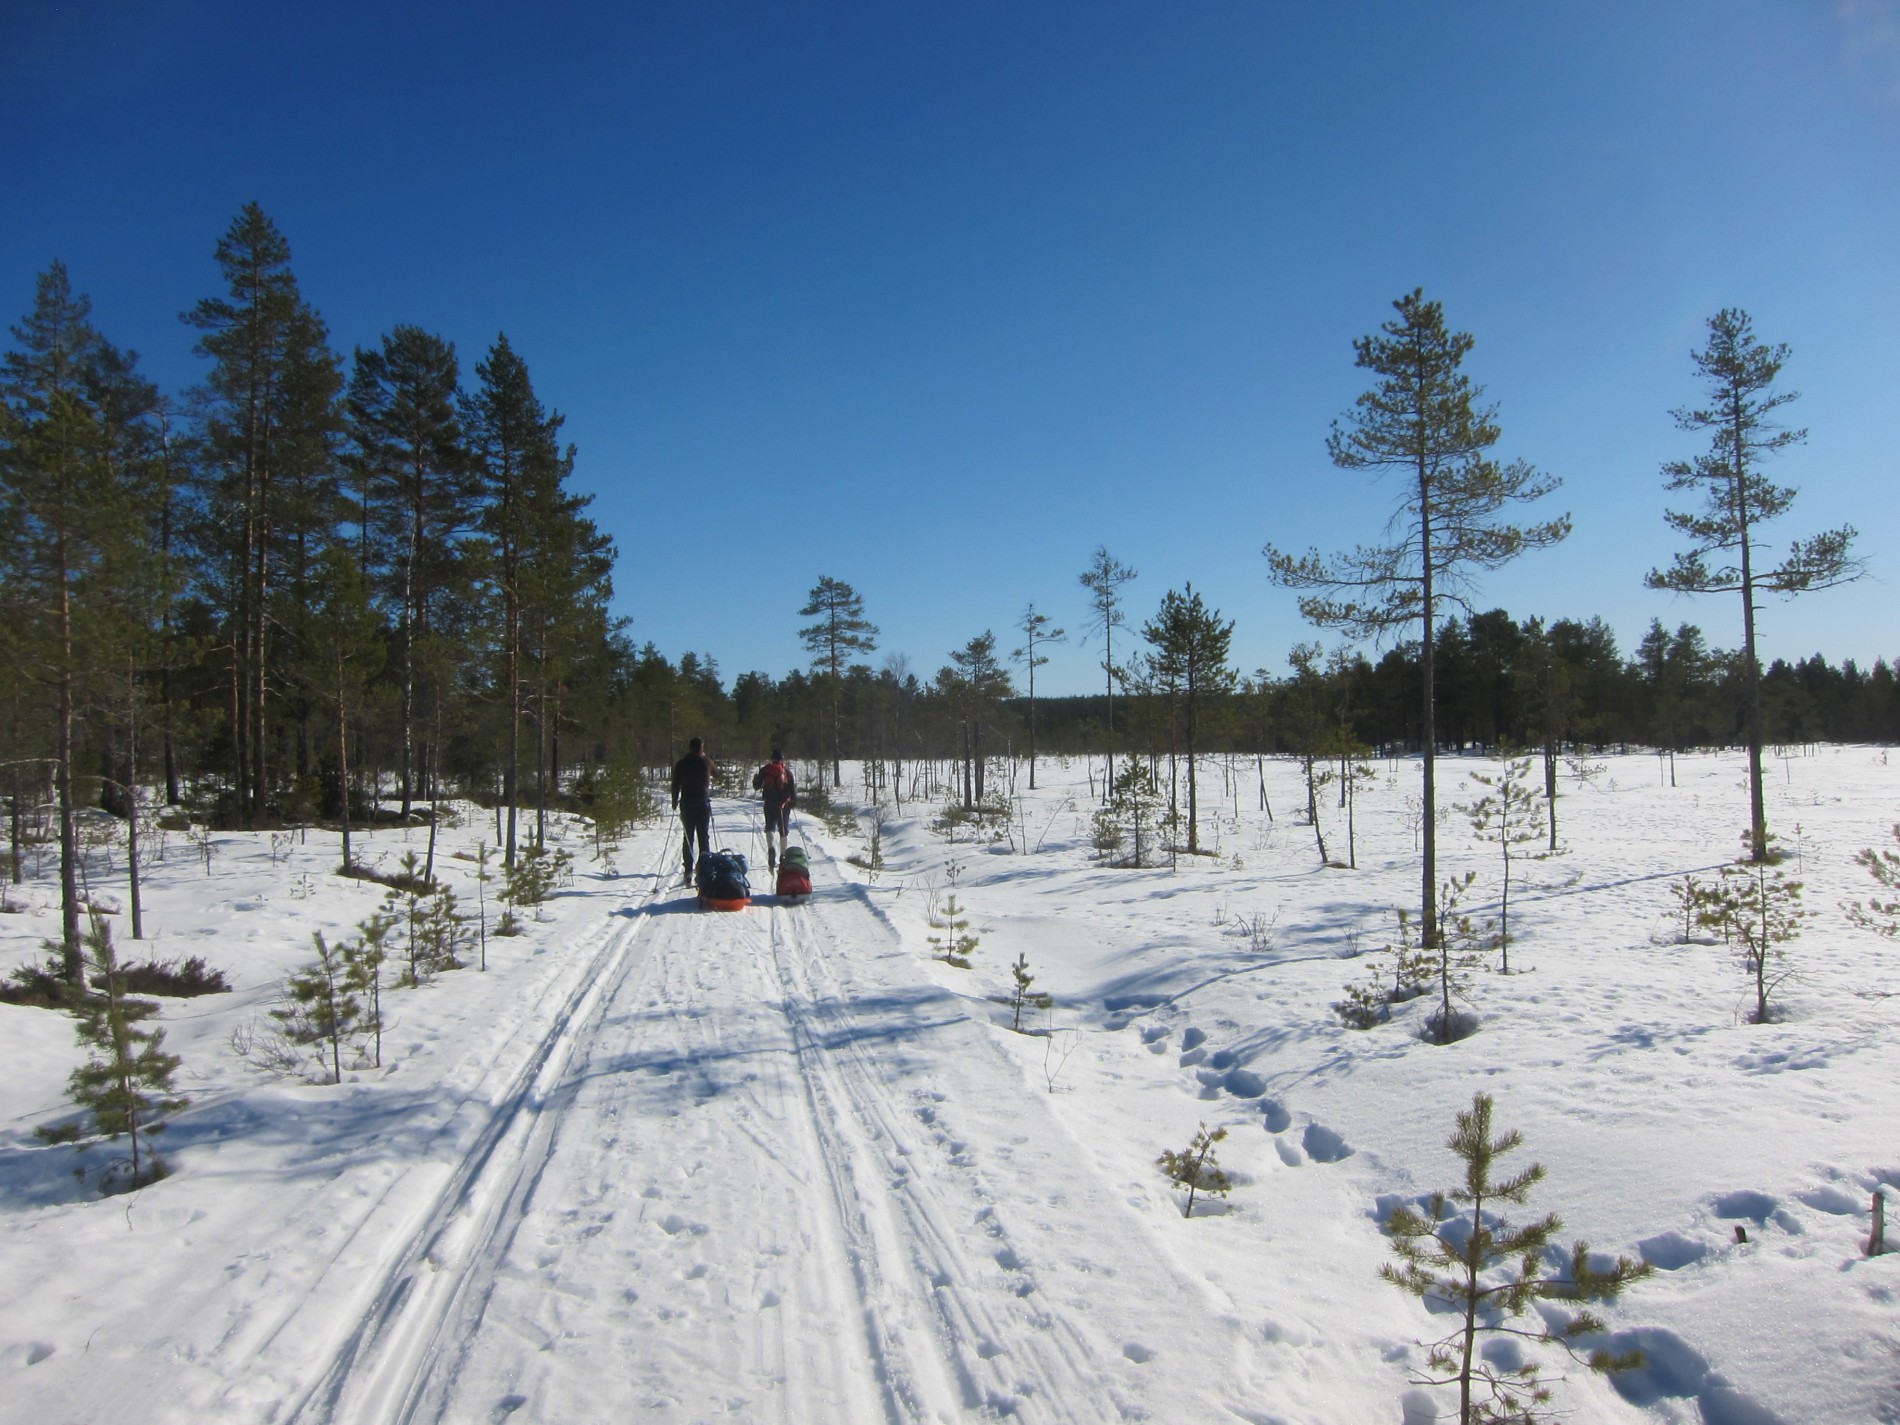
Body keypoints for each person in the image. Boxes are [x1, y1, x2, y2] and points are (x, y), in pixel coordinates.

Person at [670, 737, 714, 884]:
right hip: (703, 803)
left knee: (688, 837)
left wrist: (674, 801)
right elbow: (718, 773)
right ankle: (704, 869)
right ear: (701, 748)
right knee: (703, 837)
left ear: (689, 748)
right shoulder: (706, 761)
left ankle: (688, 871)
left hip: (687, 804)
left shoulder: (681, 763)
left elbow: (675, 784)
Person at [752, 748, 797, 870]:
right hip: (784, 805)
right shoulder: (787, 772)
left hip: (770, 803)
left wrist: (755, 779)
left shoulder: (766, 769)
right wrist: (792, 802)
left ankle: (771, 849)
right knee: (783, 830)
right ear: (783, 759)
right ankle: (783, 856)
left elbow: (756, 786)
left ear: (772, 758)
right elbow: (792, 791)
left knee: (770, 827)